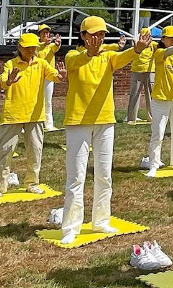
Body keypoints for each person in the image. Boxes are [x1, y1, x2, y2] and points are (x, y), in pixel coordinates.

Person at [60, 17, 151, 245]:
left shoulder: (109, 56)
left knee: (104, 174)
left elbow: (123, 58)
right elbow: (76, 62)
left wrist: (137, 49)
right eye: (92, 34)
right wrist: (89, 53)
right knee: (76, 177)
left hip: (105, 121)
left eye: (101, 34)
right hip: (78, 121)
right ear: (82, 36)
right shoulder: (73, 56)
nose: (97, 38)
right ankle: (71, 227)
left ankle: (100, 220)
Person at [0, 33, 65, 199]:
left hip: (35, 115)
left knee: (35, 151)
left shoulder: (41, 63)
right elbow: (3, 80)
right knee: (5, 151)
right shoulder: (11, 64)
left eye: (33, 47)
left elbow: (55, 76)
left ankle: (32, 183)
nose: (31, 50)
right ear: (19, 48)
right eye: (27, 47)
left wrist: (61, 76)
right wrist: (9, 81)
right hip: (13, 115)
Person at [145, 26, 173, 177]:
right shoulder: (159, 52)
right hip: (160, 99)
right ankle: (154, 164)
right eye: (170, 38)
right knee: (158, 133)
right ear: (163, 39)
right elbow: (168, 52)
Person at [126, 28, 157, 124]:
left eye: (149, 35)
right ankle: (131, 118)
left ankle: (152, 117)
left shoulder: (153, 45)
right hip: (137, 71)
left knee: (151, 95)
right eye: (146, 35)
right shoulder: (137, 43)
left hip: (150, 71)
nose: (148, 37)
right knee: (134, 95)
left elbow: (162, 48)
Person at [37, 24, 62, 131]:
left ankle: (49, 124)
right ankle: (34, 123)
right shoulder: (36, 46)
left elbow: (55, 47)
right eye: (44, 33)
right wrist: (45, 45)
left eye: (48, 33)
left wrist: (57, 43)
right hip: (37, 76)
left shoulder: (51, 46)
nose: (46, 35)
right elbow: (38, 54)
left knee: (48, 101)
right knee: (36, 100)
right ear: (40, 35)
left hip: (49, 76)